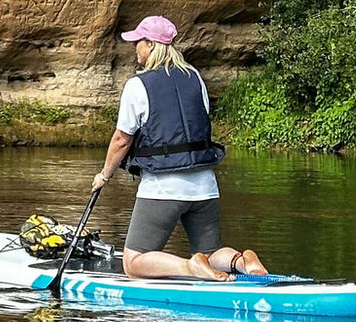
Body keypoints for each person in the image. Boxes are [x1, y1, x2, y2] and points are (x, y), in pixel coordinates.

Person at [90, 15, 268, 281]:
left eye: (138, 41)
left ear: (150, 44)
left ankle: (190, 268)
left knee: (134, 261)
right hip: (205, 184)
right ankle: (242, 261)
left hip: (164, 187)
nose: (134, 47)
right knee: (210, 251)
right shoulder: (195, 78)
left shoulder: (137, 85)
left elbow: (121, 139)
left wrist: (104, 175)